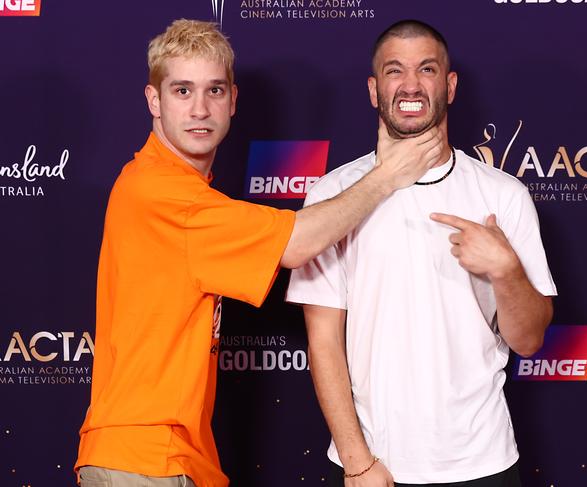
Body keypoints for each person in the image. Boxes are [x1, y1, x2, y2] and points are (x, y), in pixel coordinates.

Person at [74, 19, 444, 487]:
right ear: (154, 101)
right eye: (182, 91)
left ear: (233, 100)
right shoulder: (162, 193)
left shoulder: (175, 187)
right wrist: (388, 175)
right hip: (144, 460)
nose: (200, 109)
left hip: (167, 456)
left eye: (213, 90)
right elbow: (296, 243)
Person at [286, 19, 556, 487]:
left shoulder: (504, 195)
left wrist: (506, 269)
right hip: (376, 466)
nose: (410, 84)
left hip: (483, 461)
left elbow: (530, 341)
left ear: (449, 86)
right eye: (394, 71)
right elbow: (323, 340)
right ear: (374, 90)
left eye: (426, 69)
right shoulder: (332, 197)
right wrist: (358, 461)